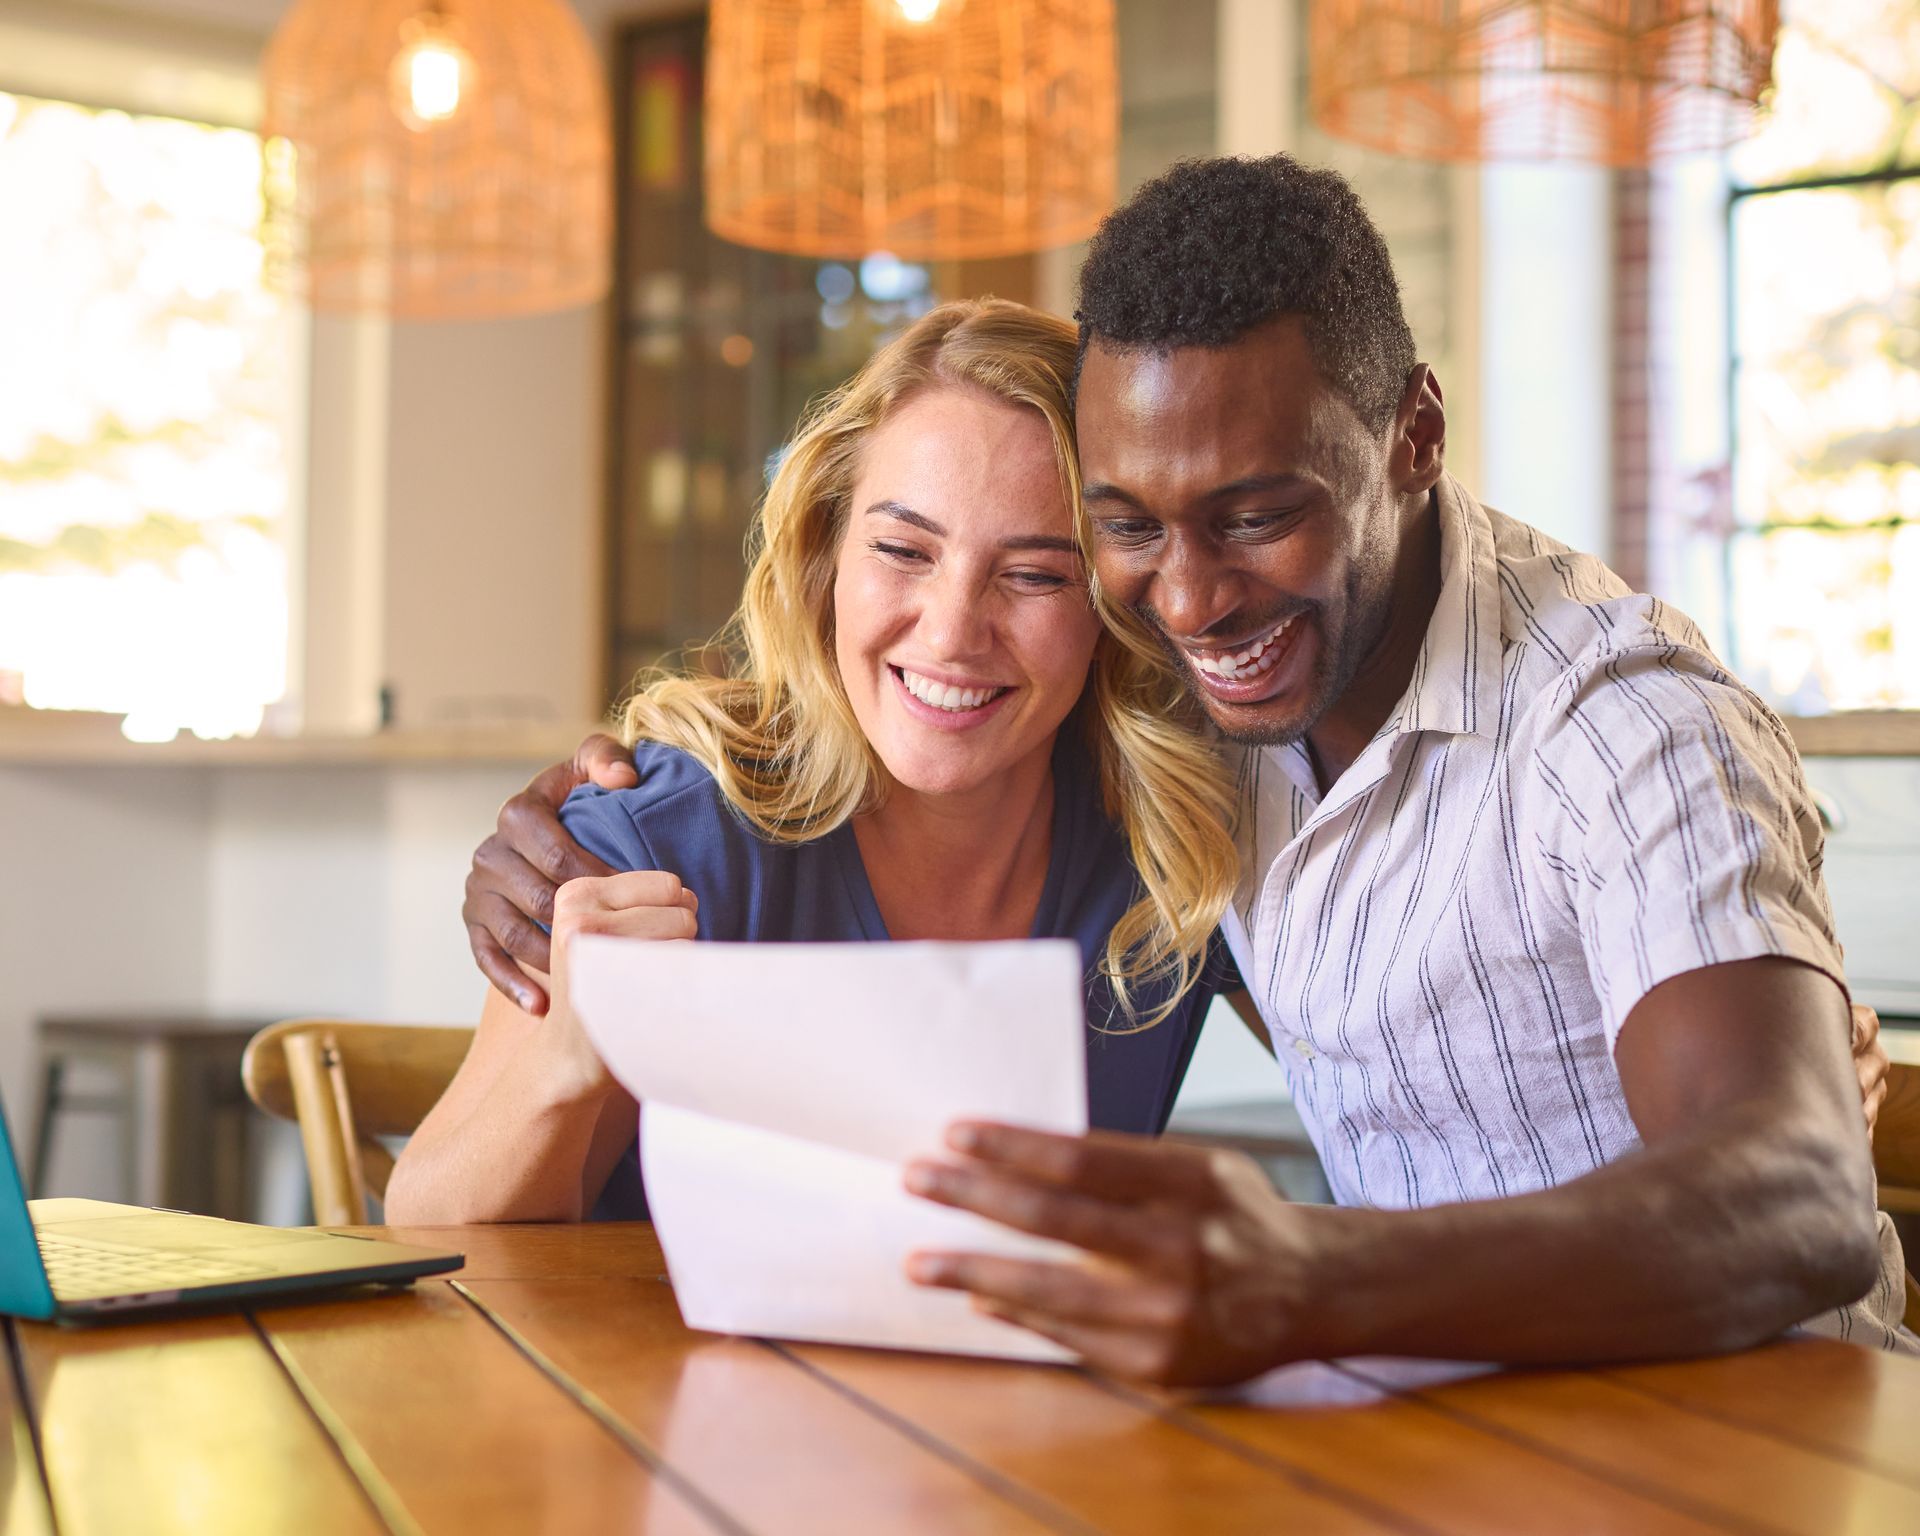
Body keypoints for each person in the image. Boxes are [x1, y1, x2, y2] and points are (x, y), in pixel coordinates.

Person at [462, 155, 1911, 1378]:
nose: (1194, 602)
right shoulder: (1218, 732)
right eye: (1131, 527)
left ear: (1414, 434)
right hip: (1425, 1436)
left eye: (1256, 513)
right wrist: (563, 822)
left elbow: (1796, 1198)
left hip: (1748, 1440)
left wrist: (1307, 1279)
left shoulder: (1619, 720)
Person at [385, 299, 1253, 1226]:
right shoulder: (656, 837)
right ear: (824, 559)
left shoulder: (1176, 847)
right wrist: (561, 1070)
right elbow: (430, 1228)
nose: (953, 634)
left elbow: (1401, 1109)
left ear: (1115, 610)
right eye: (901, 550)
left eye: (1037, 574)